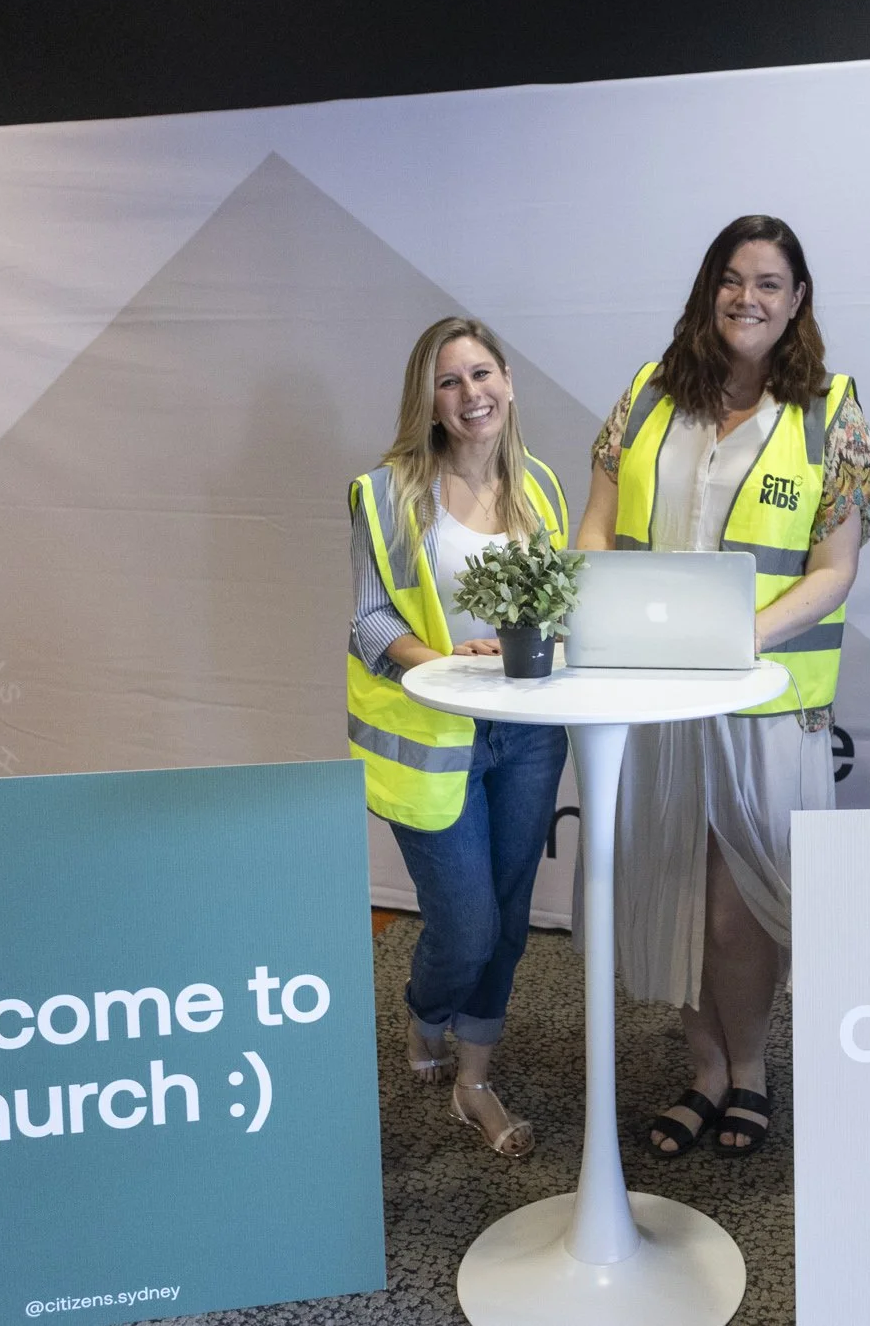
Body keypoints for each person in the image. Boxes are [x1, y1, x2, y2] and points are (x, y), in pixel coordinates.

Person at [575, 215, 870, 1158]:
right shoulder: (647, 395)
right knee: (673, 888)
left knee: (738, 900)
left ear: (797, 303)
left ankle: (750, 1067)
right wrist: (607, 613)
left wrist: (737, 637)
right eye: (733, 278)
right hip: (657, 701)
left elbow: (836, 568)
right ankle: (702, 1068)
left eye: (771, 283)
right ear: (710, 287)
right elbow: (594, 529)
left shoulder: (832, 414)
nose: (749, 298)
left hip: (765, 702)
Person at [347, 316, 571, 1158]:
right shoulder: (390, 491)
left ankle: (475, 1080)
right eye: (450, 382)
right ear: (429, 401)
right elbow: (368, 623)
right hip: (436, 737)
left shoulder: (540, 489)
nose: (471, 395)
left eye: (482, 375)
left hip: (526, 737)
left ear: (509, 382)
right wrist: (443, 661)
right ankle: (423, 1007)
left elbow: (557, 609)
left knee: (510, 920)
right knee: (467, 925)